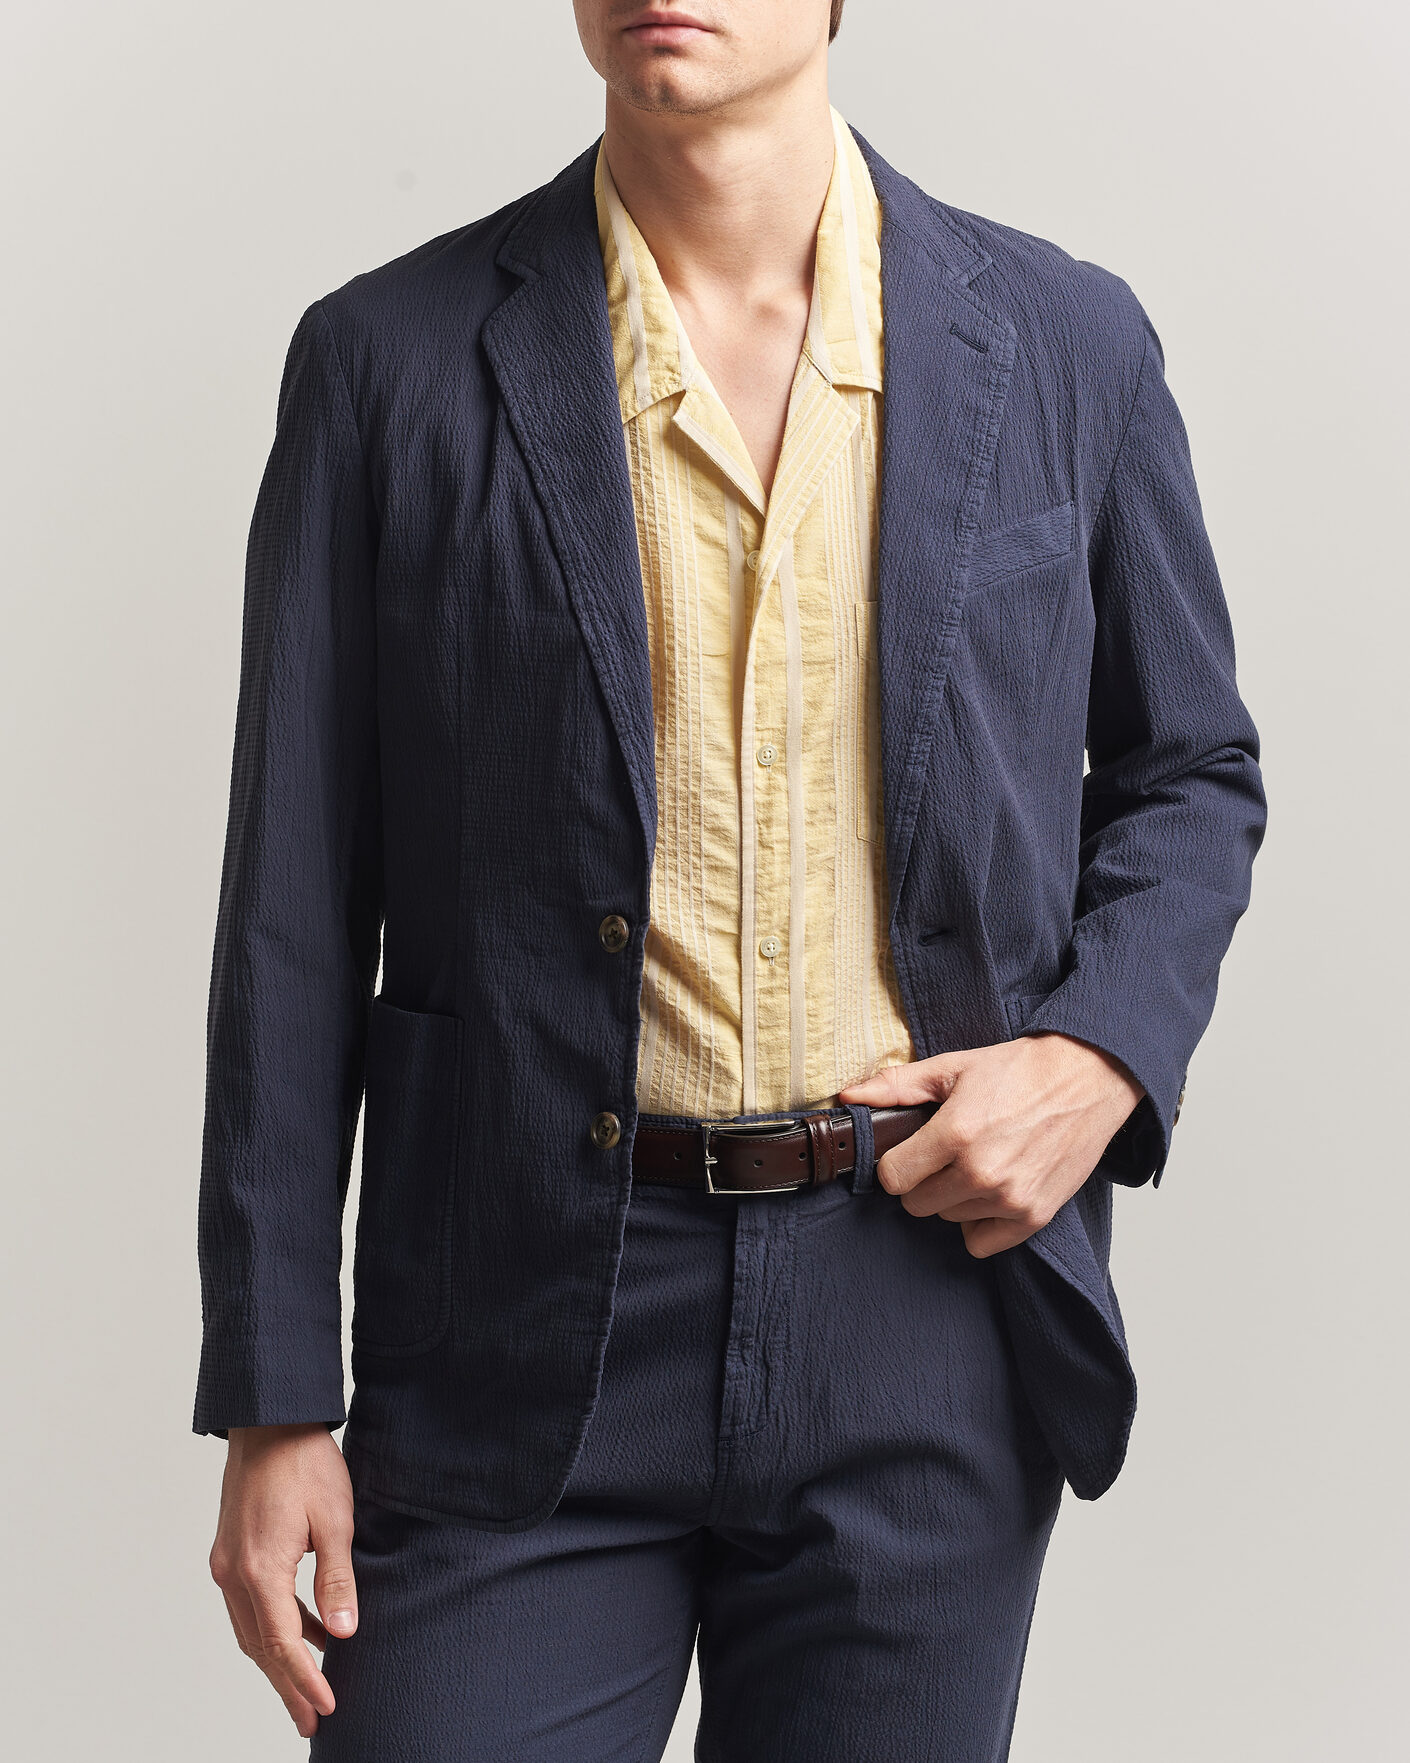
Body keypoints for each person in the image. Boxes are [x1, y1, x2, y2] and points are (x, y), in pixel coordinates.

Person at [195, 3, 1266, 1757]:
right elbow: (293, 904)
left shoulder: (1066, 340)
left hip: (915, 1297)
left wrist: (1095, 1059)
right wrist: (273, 1394)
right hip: (514, 1313)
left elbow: (1187, 772)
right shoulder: (387, 359)